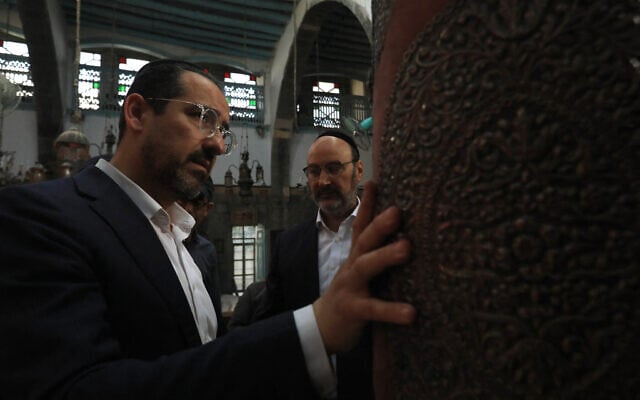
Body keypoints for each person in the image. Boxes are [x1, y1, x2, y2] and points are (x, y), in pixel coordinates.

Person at [0, 59, 415, 400]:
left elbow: (204, 365)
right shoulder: (42, 218)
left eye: (222, 130)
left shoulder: (193, 247)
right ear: (138, 112)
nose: (218, 144)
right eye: (201, 117)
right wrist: (313, 330)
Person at [260, 130, 371, 399]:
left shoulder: (381, 232)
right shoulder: (289, 244)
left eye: (334, 168)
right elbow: (273, 320)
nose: (323, 181)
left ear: (358, 171)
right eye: (313, 171)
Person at [178, 176, 224, 335]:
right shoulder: (157, 242)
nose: (189, 209)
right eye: (183, 200)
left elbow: (213, 304)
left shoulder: (207, 250)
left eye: (197, 202)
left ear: (207, 209)